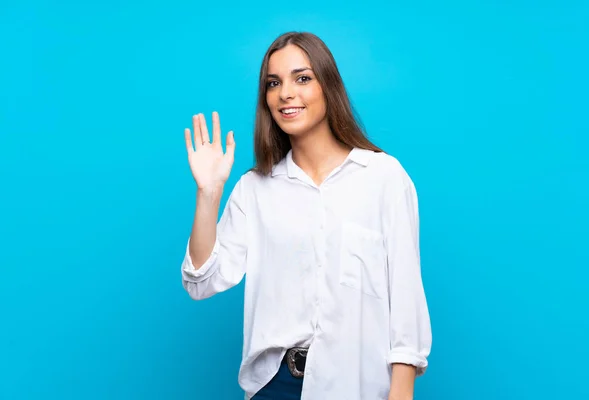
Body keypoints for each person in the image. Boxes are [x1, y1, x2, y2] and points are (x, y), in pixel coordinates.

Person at [180, 31, 432, 400]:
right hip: (274, 386)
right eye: (273, 83)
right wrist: (208, 194)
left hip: (356, 386)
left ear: (328, 86)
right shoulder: (255, 188)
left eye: (302, 78)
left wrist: (401, 393)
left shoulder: (383, 177)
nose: (286, 93)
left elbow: (406, 299)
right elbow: (202, 281)